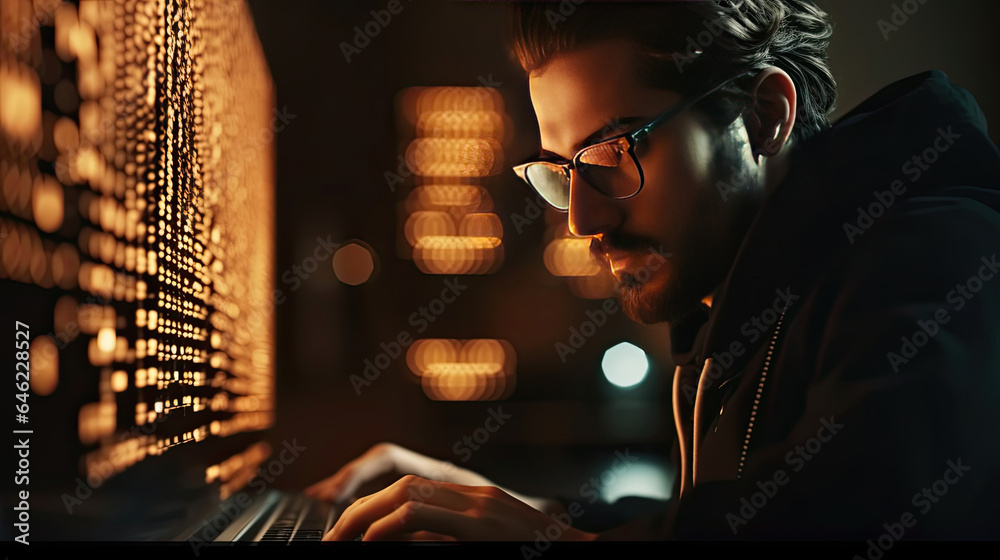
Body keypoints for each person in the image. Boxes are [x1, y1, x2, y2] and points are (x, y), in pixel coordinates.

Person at [311, 0, 1000, 540]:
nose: (581, 220)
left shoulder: (937, 255)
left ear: (764, 117)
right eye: (563, 172)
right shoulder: (746, 305)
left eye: (611, 154)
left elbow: (880, 513)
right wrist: (522, 512)